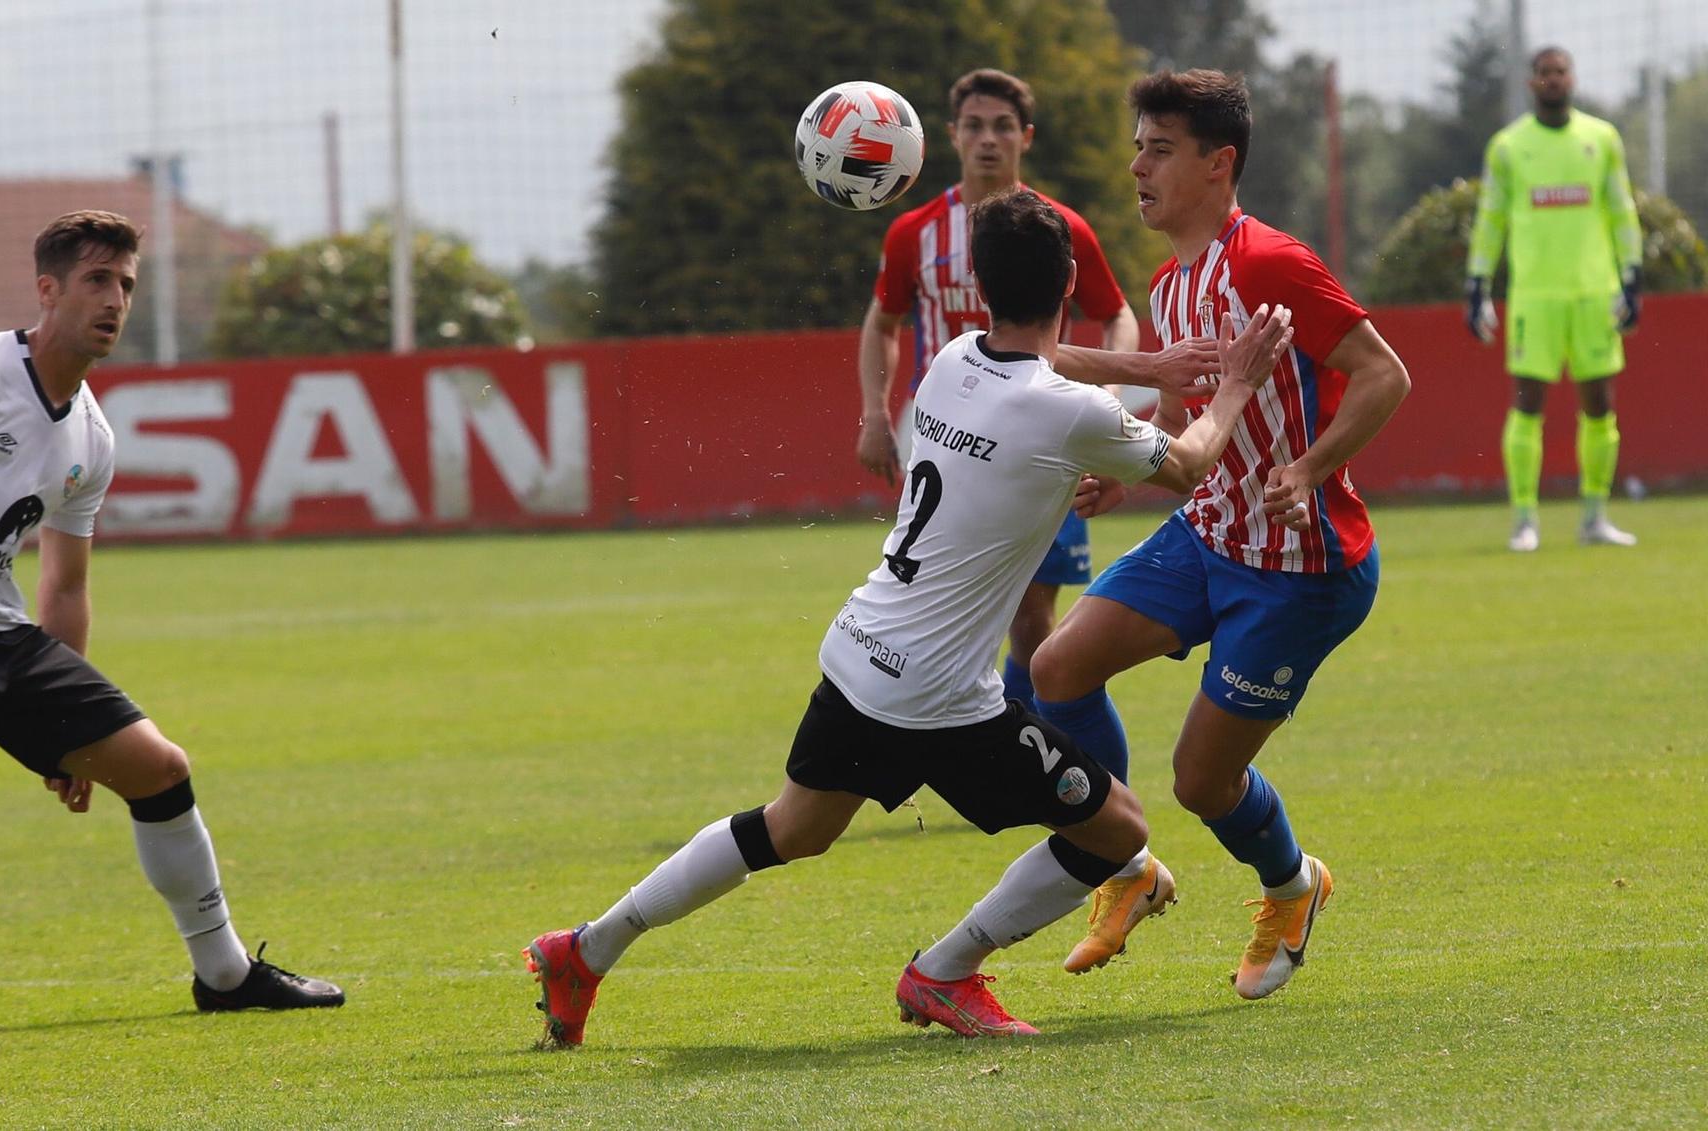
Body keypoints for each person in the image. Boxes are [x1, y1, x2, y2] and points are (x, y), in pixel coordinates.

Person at [526, 189, 1295, 1045]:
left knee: (792, 827)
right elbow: (1189, 462)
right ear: (1072, 279)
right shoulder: (1067, 411)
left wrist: (1146, 368)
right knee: (1117, 831)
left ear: (977, 284)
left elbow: (1044, 376)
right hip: (939, 694)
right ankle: (944, 972)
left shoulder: (955, 359)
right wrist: (1233, 384)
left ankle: (587, 949)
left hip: (862, 644)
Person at [0, 210, 344, 1040]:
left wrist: (60, 743)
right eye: (95, 280)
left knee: (159, 767)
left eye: (124, 283)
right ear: (47, 290)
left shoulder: (93, 435)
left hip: (3, 634)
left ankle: (223, 972)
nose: (114, 299)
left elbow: (66, 581)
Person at [1029, 70, 1411, 1000]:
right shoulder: (1169, 287)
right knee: (1055, 669)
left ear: (1218, 162)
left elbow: (1383, 374)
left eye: (1159, 148)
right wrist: (1121, 475)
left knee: (1202, 780)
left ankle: (1292, 885)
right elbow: (1174, 424)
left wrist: (1307, 470)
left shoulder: (1271, 263)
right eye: (1137, 146)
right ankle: (1121, 860)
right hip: (1206, 536)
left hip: (1299, 569)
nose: (1137, 166)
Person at [856, 68, 1202, 714]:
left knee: (1033, 618)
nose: (989, 140)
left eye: (1003, 127)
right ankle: (983, 741)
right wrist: (875, 414)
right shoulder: (914, 234)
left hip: (1043, 439)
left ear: (1026, 137)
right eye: (975, 127)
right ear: (951, 137)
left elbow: (1119, 313)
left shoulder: (1055, 227)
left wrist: (1105, 393)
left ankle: (1051, 759)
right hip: (952, 441)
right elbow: (884, 322)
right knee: (947, 603)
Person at [1465, 46, 1643, 551]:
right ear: (1531, 83)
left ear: (1572, 78)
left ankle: (1594, 515)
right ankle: (1525, 519)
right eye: (1544, 73)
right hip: (1535, 297)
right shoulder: (1507, 146)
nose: (1553, 80)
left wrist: (1631, 276)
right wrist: (1477, 283)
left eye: (1561, 71)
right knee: (1527, 405)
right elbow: (1491, 218)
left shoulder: (1601, 138)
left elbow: (1620, 209)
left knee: (1599, 405)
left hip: (1594, 292)